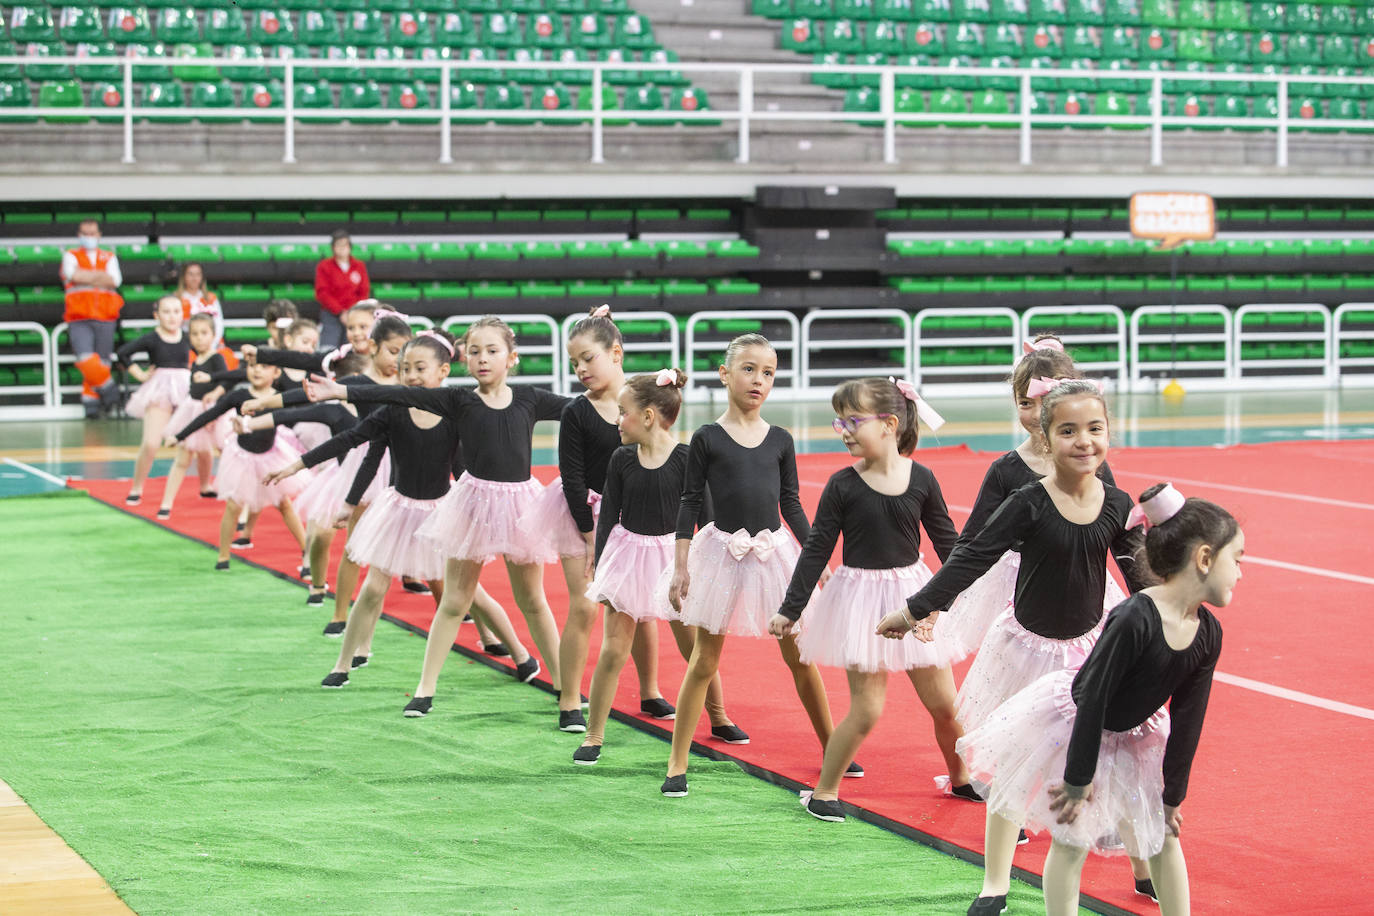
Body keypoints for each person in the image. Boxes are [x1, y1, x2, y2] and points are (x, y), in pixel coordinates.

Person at [876, 379, 1151, 916]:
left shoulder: (1117, 503)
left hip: (1088, 648)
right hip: (1027, 649)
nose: (1084, 441)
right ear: (1045, 438)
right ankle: (994, 884)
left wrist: (1171, 614)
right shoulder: (1028, 502)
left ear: (1109, 434)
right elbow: (972, 555)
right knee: (1013, 766)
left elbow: (1139, 574)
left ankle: (1143, 867)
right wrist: (916, 608)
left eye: (1095, 429)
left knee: (1114, 754)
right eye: (1068, 430)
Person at [957, 484, 1238, 916]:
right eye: (1235, 560)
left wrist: (1171, 798)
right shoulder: (1133, 618)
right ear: (1203, 559)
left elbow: (1188, 718)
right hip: (1078, 727)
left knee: (1163, 834)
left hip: (1136, 733)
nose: (1240, 573)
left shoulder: (1208, 633)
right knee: (1072, 839)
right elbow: (1093, 698)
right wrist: (1078, 779)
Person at [304, 317, 569, 718]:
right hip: (472, 505)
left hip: (519, 505)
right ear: (463, 361)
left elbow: (579, 408)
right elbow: (395, 395)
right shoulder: (460, 401)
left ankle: (567, 691)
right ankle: (424, 689)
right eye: (475, 352)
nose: (483, 359)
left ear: (512, 358)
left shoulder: (530, 399)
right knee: (454, 601)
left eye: (492, 351)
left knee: (532, 600)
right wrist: (338, 388)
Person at [270, 329, 534, 688]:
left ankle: (520, 653)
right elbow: (352, 441)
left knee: (470, 592)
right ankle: (343, 664)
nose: (410, 375)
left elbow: (464, 468)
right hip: (397, 512)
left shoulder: (455, 413)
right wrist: (297, 466)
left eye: (419, 368)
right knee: (374, 587)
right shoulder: (392, 413)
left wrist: (476, 511)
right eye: (405, 368)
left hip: (440, 512)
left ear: (442, 371)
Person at [768, 377, 971, 822]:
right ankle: (824, 790)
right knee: (866, 710)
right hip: (861, 601)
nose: (842, 429)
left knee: (946, 706)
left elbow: (950, 546)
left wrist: (952, 600)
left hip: (914, 596)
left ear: (889, 424)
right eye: (839, 420)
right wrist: (790, 608)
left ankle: (961, 778)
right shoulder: (843, 485)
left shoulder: (922, 479)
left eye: (852, 420)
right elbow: (817, 548)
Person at [660, 334, 845, 799]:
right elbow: (688, 502)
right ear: (724, 374)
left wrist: (813, 555)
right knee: (704, 659)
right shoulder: (706, 438)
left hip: (774, 552)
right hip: (721, 551)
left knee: (799, 657)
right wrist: (681, 565)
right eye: (747, 369)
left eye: (767, 372)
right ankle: (676, 761)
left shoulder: (781, 439)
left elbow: (791, 504)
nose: (757, 379)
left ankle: (833, 747)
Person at [518, 306, 672, 732]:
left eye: (589, 358)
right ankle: (569, 697)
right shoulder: (577, 412)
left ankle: (651, 690)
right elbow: (572, 478)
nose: (581, 369)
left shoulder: (643, 401)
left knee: (641, 608)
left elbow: (660, 455)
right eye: (574, 363)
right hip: (580, 516)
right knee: (586, 608)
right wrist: (589, 536)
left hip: (634, 516)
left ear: (616, 353)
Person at [575, 368, 739, 766]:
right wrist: (598, 558)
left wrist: (711, 564)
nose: (617, 420)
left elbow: (709, 517)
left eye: (623, 412)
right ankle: (593, 734)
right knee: (614, 648)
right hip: (630, 556)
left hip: (676, 558)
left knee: (696, 650)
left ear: (648, 416)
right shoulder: (621, 459)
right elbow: (610, 511)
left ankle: (718, 716)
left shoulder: (687, 460)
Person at [171, 361, 309, 570]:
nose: (257, 370)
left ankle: (307, 548)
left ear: (276, 372)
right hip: (242, 457)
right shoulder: (239, 396)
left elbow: (304, 411)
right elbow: (211, 414)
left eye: (264, 366)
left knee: (284, 503)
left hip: (271, 455)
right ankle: (223, 555)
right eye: (253, 366)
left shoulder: (280, 396)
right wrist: (180, 435)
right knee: (234, 505)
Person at [115, 295, 192, 507]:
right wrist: (139, 374)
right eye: (166, 312)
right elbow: (122, 353)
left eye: (176, 311)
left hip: (185, 388)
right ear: (156, 315)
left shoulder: (187, 337)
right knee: (151, 443)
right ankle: (137, 486)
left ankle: (206, 486)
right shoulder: (152, 338)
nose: (172, 316)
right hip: (160, 390)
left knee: (197, 444)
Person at [159, 313, 228, 516]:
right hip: (193, 409)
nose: (199, 338)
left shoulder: (217, 358)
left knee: (224, 452)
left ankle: (235, 497)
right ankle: (167, 502)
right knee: (186, 455)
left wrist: (214, 394)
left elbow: (225, 381)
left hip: (214, 410)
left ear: (214, 335)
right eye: (195, 334)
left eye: (204, 333)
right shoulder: (196, 359)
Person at [61, 218, 124, 418]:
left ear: (99, 235)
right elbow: (72, 276)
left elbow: (115, 280)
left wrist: (85, 274)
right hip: (79, 316)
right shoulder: (71, 255)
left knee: (102, 362)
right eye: (85, 233)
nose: (89, 237)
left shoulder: (109, 256)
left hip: (106, 315)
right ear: (79, 235)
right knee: (85, 358)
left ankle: (92, 404)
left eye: (92, 233)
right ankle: (110, 391)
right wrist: (100, 276)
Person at [313, 230, 370, 350]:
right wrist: (340, 312)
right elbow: (322, 293)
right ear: (333, 247)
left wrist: (352, 311)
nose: (342, 248)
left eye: (345, 244)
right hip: (331, 314)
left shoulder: (359, 265)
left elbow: (364, 291)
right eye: (338, 244)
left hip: (355, 314)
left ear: (350, 246)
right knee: (328, 349)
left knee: (353, 350)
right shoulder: (324, 266)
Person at [175, 261, 234, 368]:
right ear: (184, 277)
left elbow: (218, 323)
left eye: (198, 274)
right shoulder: (177, 299)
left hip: (211, 343)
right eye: (190, 274)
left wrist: (212, 344)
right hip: (187, 343)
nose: (194, 278)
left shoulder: (210, 298)